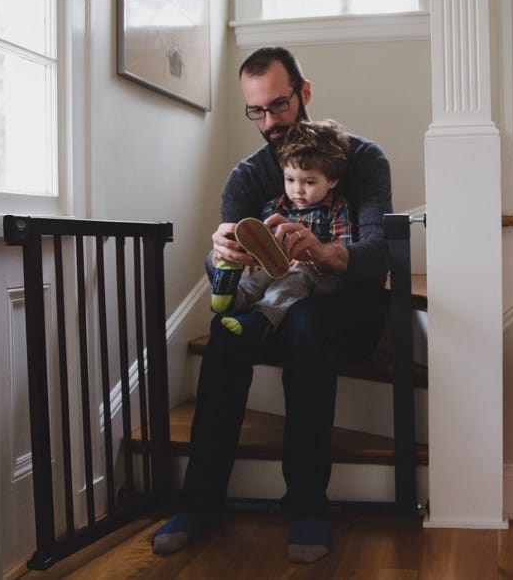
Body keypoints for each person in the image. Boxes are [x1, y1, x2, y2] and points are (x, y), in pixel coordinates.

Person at [152, 46, 392, 564]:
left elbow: (378, 257)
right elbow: (227, 270)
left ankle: (307, 503)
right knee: (224, 332)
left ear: (304, 93)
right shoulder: (248, 176)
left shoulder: (363, 159)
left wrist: (324, 251)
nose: (269, 122)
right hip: (269, 305)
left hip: (346, 309)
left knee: (304, 324)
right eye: (256, 111)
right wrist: (221, 258)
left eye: (278, 106)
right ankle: (199, 502)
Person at [211, 119, 354, 342]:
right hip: (280, 270)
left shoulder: (336, 209)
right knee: (259, 278)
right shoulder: (275, 207)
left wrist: (311, 259)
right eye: (289, 179)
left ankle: (260, 321)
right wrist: (259, 258)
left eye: (309, 182)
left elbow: (342, 252)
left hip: (320, 278)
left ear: (332, 180)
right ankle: (232, 301)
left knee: (295, 278)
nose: (297, 190)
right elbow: (263, 248)